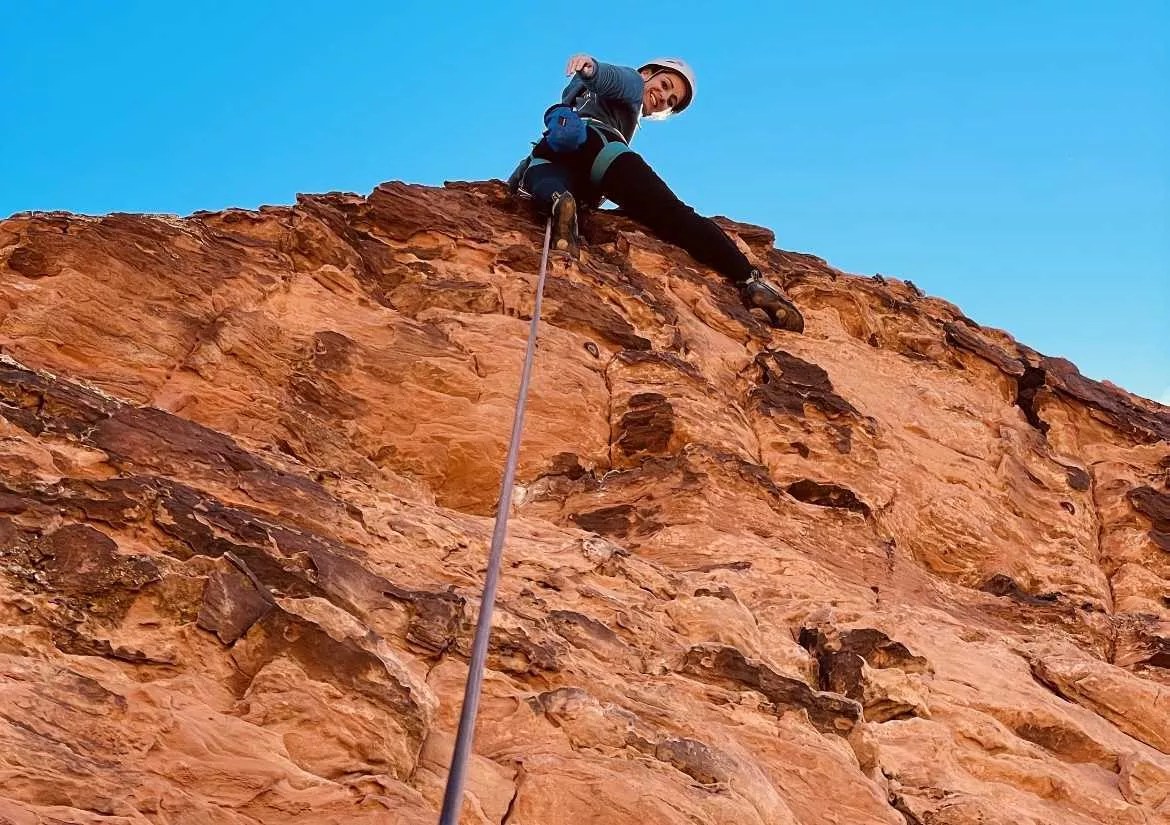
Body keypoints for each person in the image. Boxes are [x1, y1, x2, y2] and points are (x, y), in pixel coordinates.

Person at [507, 54, 804, 332]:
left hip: (557, 151)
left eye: (670, 100)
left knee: (544, 176)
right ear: (647, 73)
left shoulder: (579, 101)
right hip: (603, 150)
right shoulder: (633, 84)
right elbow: (618, 78)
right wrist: (593, 69)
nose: (663, 98)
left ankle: (559, 201)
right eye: (664, 85)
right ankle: (749, 279)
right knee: (672, 215)